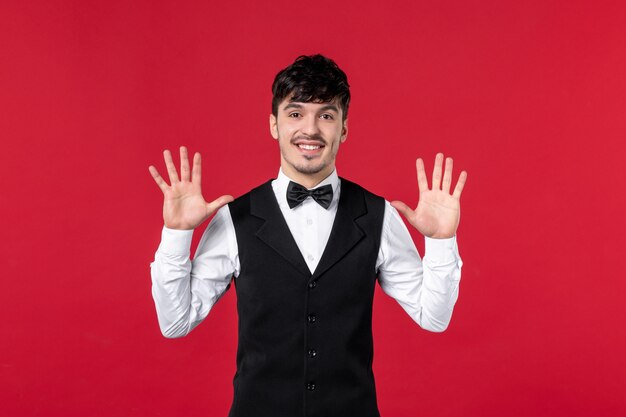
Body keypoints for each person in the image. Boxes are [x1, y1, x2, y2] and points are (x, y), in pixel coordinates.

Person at [149, 54, 467, 417]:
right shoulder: (235, 218)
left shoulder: (379, 216)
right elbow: (175, 323)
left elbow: (434, 317)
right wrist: (176, 235)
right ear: (274, 124)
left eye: (326, 115)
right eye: (296, 113)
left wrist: (441, 241)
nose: (310, 130)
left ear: (344, 128)